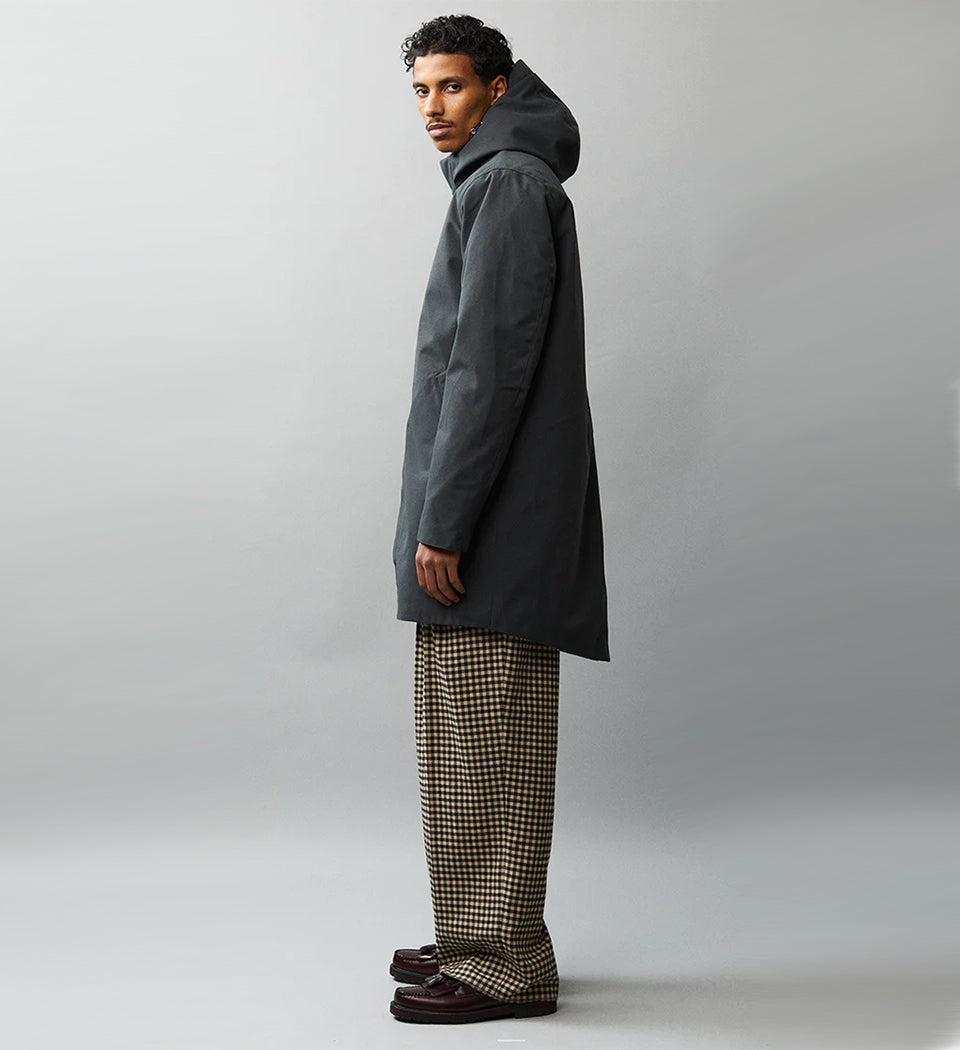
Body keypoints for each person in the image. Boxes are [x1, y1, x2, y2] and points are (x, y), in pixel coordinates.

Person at [389, 14, 610, 1025]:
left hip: (491, 529)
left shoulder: (511, 185)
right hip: (482, 519)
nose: (433, 109)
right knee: (464, 746)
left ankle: (506, 963)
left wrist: (445, 523)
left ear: (497, 86)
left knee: (493, 749)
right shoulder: (493, 180)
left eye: (451, 87)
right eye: (421, 91)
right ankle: (476, 929)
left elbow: (486, 372)